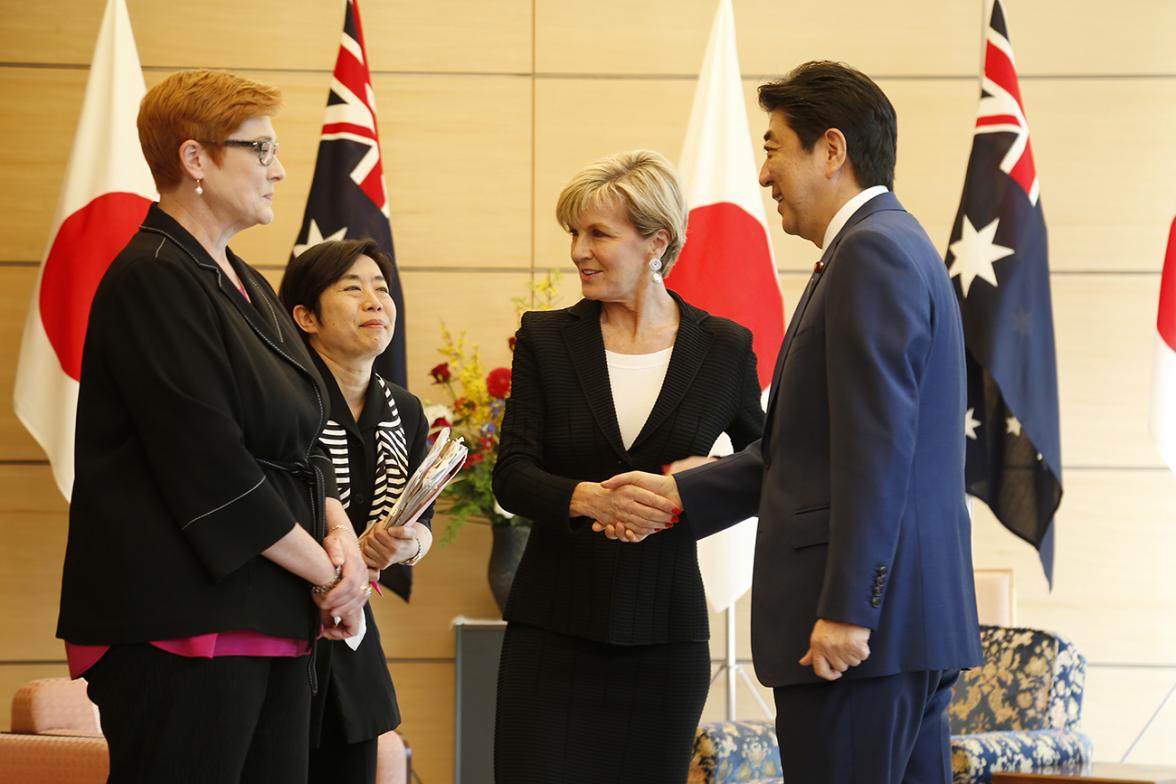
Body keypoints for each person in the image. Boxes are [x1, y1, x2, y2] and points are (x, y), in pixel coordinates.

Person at [602, 62, 984, 783]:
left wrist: (848, 609)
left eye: (775, 147)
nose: (762, 173)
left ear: (831, 150)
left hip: (860, 638)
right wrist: (687, 494)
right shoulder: (883, 247)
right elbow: (818, 446)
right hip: (905, 631)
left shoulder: (871, 254)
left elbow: (877, 450)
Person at [56, 69, 369, 783]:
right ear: (194, 159)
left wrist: (341, 538)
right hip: (180, 620)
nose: (280, 169)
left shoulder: (248, 283)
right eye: (259, 149)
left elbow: (301, 439)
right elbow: (209, 469)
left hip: (271, 614)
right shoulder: (152, 277)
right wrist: (330, 577)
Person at [491, 150, 764, 783]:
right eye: (574, 234)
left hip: (664, 637)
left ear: (656, 242)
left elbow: (770, 466)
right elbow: (512, 473)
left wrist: (691, 486)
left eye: (598, 234)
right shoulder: (546, 338)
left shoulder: (724, 347)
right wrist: (591, 500)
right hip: (550, 630)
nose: (579, 251)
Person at [280, 238, 435, 784]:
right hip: (278, 632)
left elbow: (423, 531)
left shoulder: (405, 409)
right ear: (305, 316)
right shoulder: (280, 399)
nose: (376, 301)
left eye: (382, 289)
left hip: (352, 638)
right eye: (353, 289)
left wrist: (403, 544)